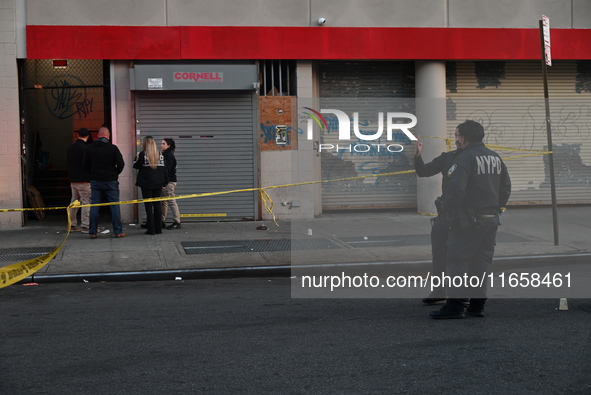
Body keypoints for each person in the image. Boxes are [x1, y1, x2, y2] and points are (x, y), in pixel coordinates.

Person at [430, 120, 511, 319]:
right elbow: (506, 187)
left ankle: (455, 306)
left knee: (457, 260)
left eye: (457, 135)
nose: (456, 138)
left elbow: (456, 189)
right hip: (491, 218)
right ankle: (477, 305)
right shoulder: (495, 157)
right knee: (480, 263)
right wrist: (496, 207)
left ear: (463, 137)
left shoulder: (465, 158)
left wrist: (450, 209)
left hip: (468, 220)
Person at [414, 137, 463, 305]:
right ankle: (439, 290)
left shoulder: (475, 158)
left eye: (460, 136)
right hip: (445, 214)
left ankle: (466, 295)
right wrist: (417, 155)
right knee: (439, 252)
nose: (457, 139)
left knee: (462, 257)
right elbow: (423, 171)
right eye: (456, 135)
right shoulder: (447, 157)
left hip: (465, 215)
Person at [82, 126, 126, 239]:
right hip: (111, 181)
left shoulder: (90, 148)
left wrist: (92, 175)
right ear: (108, 136)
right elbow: (121, 164)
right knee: (114, 206)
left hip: (96, 181)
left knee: (95, 206)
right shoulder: (113, 148)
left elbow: (84, 165)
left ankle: (92, 232)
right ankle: (117, 231)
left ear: (98, 135)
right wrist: (115, 173)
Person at [134, 136, 168, 235]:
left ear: (145, 144)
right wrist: (164, 182)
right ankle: (158, 228)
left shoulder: (142, 154)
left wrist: (136, 158)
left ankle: (151, 229)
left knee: (148, 206)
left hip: (146, 184)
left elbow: (136, 166)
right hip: (158, 183)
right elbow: (165, 170)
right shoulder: (160, 155)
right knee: (157, 205)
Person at [66, 128, 91, 233]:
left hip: (73, 179)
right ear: (88, 136)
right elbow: (88, 164)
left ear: (77, 135)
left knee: (74, 201)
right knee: (86, 202)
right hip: (84, 180)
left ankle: (72, 224)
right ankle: (86, 225)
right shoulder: (86, 149)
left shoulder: (71, 148)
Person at [160, 138, 181, 230]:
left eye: (163, 143)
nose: (161, 145)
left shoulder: (168, 156)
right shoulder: (166, 154)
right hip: (167, 181)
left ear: (169, 145)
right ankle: (161, 220)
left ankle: (177, 221)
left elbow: (167, 170)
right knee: (163, 202)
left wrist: (164, 183)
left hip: (169, 182)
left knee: (171, 201)